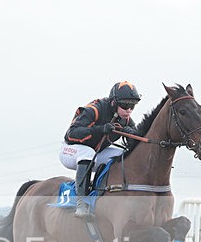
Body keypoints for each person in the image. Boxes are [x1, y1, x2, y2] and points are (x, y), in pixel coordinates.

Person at [59, 81, 141, 220]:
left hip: (96, 153)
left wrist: (132, 135)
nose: (129, 110)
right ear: (113, 103)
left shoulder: (125, 119)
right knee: (88, 153)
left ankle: (103, 193)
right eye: (125, 105)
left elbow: (137, 141)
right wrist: (100, 130)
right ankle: (81, 203)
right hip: (71, 150)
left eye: (132, 106)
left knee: (122, 155)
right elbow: (71, 134)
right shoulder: (94, 110)